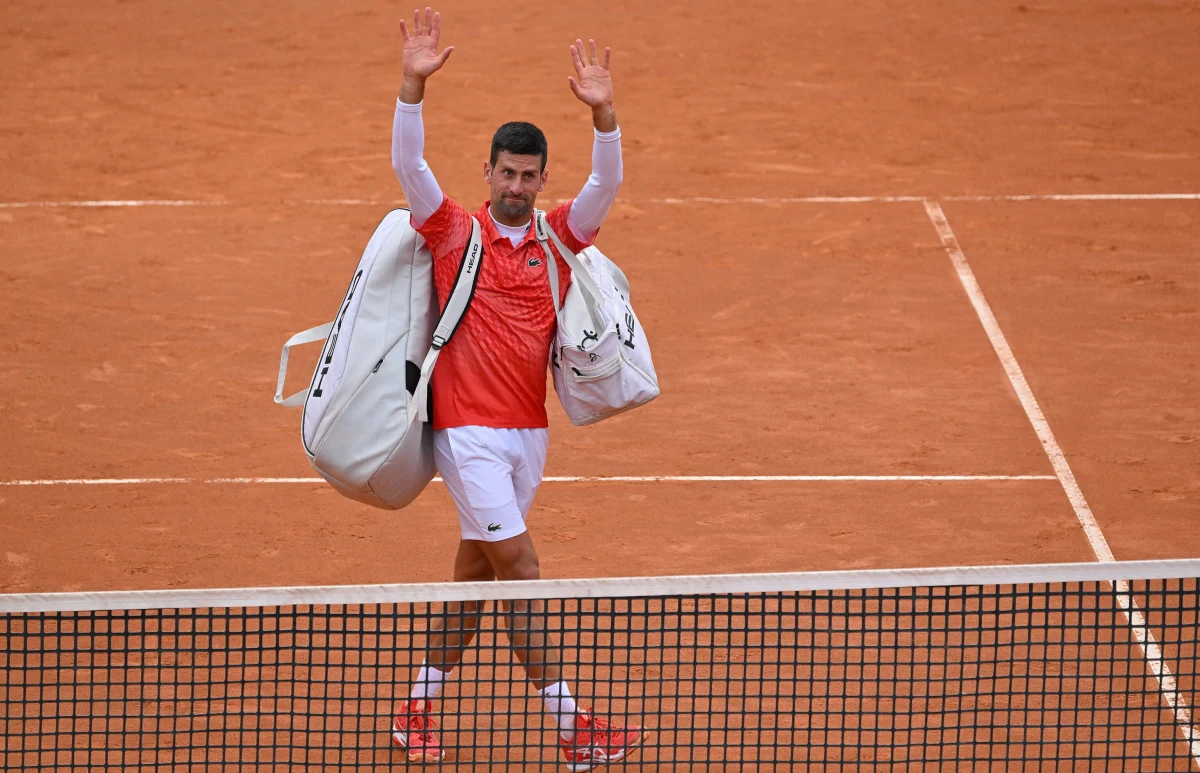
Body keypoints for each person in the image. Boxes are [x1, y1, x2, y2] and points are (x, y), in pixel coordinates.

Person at [387, 7, 645, 769]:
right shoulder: (452, 232)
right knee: (522, 571)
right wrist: (411, 85)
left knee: (475, 574)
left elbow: (607, 179)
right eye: (507, 173)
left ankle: (417, 708)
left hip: (529, 435)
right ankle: (574, 727)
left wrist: (604, 113)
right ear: (488, 172)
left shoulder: (558, 237)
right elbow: (409, 167)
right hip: (465, 434)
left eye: (531, 177)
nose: (518, 186)